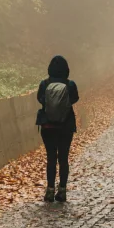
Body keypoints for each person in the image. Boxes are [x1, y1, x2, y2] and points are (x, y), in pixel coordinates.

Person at [36, 55, 79, 202]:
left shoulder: (44, 84)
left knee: (51, 157)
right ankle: (62, 190)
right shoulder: (70, 84)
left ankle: (49, 190)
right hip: (66, 126)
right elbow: (74, 99)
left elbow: (40, 99)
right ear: (66, 69)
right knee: (63, 158)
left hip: (48, 126)